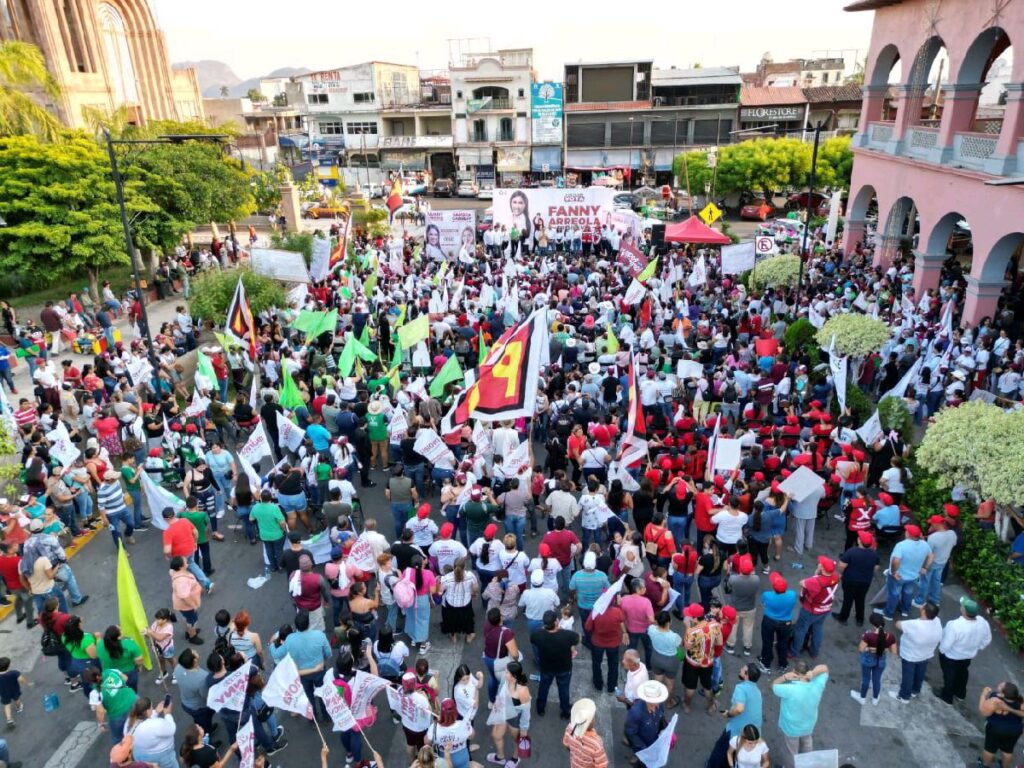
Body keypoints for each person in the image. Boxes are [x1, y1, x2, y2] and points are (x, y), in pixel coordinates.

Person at [772, 662, 829, 768]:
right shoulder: (817, 684)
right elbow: (825, 668)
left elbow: (774, 686)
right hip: (808, 726)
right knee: (807, 744)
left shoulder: (789, 689)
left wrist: (784, 677)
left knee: (791, 753)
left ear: (794, 672)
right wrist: (813, 673)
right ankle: (807, 764)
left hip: (791, 729)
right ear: (808, 672)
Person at [937, 596, 992, 704]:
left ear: (963, 610)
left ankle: (947, 696)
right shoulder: (982, 622)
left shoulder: (954, 625)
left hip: (951, 656)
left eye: (962, 606)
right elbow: (987, 639)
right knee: (963, 673)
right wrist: (978, 647)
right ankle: (960, 693)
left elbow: (946, 644)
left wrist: (941, 651)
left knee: (949, 675)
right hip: (968, 655)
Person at [889, 601, 942, 703]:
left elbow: (898, 624)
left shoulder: (914, 624)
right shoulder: (937, 621)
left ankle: (904, 696)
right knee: (920, 673)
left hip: (910, 655)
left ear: (923, 611)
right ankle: (915, 690)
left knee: (908, 675)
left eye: (923, 605)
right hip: (926, 654)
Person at [531, 609, 579, 719]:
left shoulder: (537, 634)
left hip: (546, 668)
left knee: (543, 688)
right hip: (564, 668)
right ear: (556, 622)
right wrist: (560, 629)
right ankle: (565, 711)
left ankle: (540, 708)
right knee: (564, 690)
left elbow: (533, 640)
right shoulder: (567, 635)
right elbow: (577, 638)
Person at [788, 556, 839, 660]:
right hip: (825, 608)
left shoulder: (816, 582)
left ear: (823, 569)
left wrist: (816, 573)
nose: (819, 563)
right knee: (818, 628)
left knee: (800, 630)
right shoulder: (835, 577)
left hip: (810, 610)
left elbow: (802, 582)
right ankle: (814, 652)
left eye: (821, 563)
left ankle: (794, 652)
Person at [883, 524, 933, 620]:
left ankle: (888, 614)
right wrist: (925, 568)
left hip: (899, 576)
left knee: (894, 594)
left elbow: (896, 560)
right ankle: (905, 611)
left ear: (908, 534)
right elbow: (931, 556)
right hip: (913, 576)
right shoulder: (925, 544)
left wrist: (893, 572)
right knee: (908, 593)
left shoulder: (901, 545)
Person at [487, 661, 531, 768]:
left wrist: (524, 729)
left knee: (517, 740)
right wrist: (496, 703)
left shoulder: (523, 690)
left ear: (514, 676)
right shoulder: (505, 678)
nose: (504, 673)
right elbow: (500, 690)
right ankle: (500, 757)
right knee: (496, 735)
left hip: (514, 718)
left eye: (507, 672)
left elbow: (526, 711)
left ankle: (515, 758)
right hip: (502, 713)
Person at [833, 530, 879, 626]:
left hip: (850, 580)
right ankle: (860, 619)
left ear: (859, 541)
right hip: (865, 581)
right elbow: (876, 568)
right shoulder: (874, 554)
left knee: (848, 599)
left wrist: (840, 573)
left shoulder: (851, 552)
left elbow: (842, 565)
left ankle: (843, 617)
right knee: (861, 599)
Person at [850, 613, 897, 705]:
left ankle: (862, 697)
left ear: (872, 624)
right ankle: (875, 699)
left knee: (866, 678)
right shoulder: (890, 636)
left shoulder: (868, 635)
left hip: (868, 660)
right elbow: (894, 652)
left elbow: (861, 649)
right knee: (876, 680)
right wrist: (882, 648)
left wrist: (870, 648)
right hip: (881, 661)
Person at [978, 682, 1024, 768]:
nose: (999, 684)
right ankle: (1004, 766)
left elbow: (983, 712)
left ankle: (985, 765)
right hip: (1014, 730)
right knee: (1008, 751)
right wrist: (1011, 709)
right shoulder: (1020, 700)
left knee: (989, 749)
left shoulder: (995, 700)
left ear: (1003, 694)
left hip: (995, 729)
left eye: (1001, 685)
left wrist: (983, 695)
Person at [624, 680, 669, 767]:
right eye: (654, 701)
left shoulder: (659, 704)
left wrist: (664, 729)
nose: (657, 703)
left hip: (655, 742)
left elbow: (661, 718)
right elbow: (631, 733)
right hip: (643, 748)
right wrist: (645, 750)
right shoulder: (635, 713)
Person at [125, 696, 178, 768]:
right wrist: (167, 714)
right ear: (147, 711)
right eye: (151, 707)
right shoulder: (155, 724)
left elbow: (145, 719)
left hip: (140, 754)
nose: (152, 708)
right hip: (162, 755)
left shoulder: (129, 722)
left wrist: (156, 712)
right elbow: (171, 729)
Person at [425, 698, 473, 768]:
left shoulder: (434, 728)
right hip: (462, 756)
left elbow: (426, 742)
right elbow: (472, 736)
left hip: (443, 758)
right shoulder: (463, 724)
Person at [562, 697, 608, 768]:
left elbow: (567, 744)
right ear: (592, 721)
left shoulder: (570, 728)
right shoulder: (596, 744)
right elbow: (601, 765)